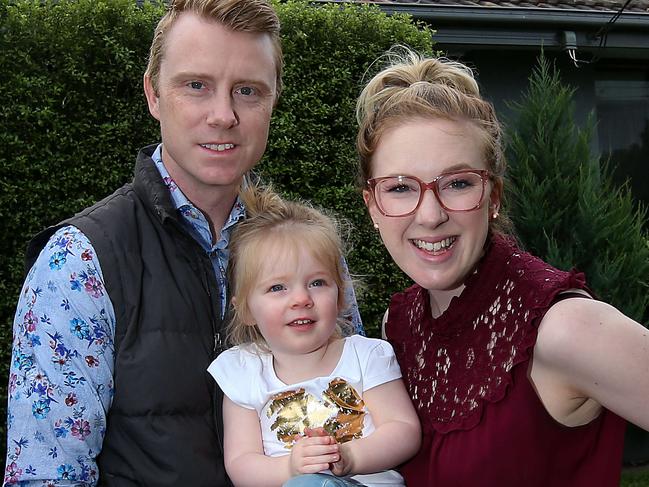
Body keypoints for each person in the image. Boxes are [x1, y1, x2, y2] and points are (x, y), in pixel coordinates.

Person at [4, 0, 362, 484]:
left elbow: (358, 413)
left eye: (248, 91)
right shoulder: (80, 261)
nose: (223, 115)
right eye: (196, 85)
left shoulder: (311, 254)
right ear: (153, 94)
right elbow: (46, 473)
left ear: (273, 100)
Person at [355, 47, 649, 487]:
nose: (430, 214)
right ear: (372, 206)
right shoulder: (398, 324)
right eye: (399, 188)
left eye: (457, 183)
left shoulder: (564, 327)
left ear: (492, 196)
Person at [207, 185, 421, 487]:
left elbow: (403, 429)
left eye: (317, 283)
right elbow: (242, 463)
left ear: (340, 297)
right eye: (277, 288)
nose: (301, 299)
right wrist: (291, 468)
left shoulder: (366, 356)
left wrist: (350, 457)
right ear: (246, 311)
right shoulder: (242, 371)